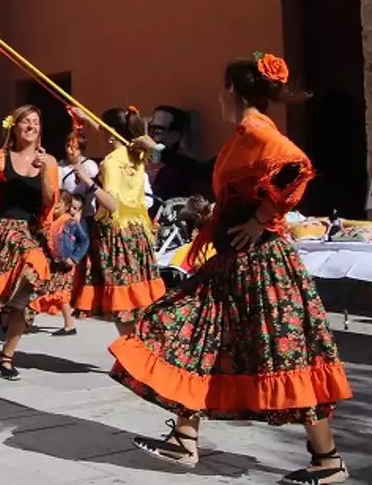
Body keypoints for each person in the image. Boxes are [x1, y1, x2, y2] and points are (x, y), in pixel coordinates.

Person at [110, 54, 352, 485]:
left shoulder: (257, 131)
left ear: (233, 91)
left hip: (261, 267)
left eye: (223, 87)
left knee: (286, 354)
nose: (220, 94)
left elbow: (297, 167)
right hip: (231, 266)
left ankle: (328, 458)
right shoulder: (244, 134)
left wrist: (261, 218)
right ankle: (185, 437)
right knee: (191, 334)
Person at [0, 105, 58, 380]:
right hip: (5, 231)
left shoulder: (48, 161)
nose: (31, 127)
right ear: (14, 127)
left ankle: (7, 356)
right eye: (26, 122)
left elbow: (50, 202)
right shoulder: (0, 158)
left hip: (32, 232)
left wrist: (43, 175)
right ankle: (2, 313)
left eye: (36, 122)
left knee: (29, 288)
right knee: (16, 279)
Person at [69, 107, 166, 335]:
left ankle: (129, 352)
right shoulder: (137, 155)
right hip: (139, 231)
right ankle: (134, 348)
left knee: (121, 301)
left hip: (116, 234)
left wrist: (87, 180)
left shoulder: (110, 163)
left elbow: (112, 204)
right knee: (136, 296)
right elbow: (113, 134)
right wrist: (88, 118)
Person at [40, 192, 90, 336]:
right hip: (53, 262)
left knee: (61, 294)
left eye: (59, 204)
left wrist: (75, 258)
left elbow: (84, 240)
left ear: (66, 206)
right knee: (50, 290)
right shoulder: (50, 221)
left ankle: (69, 325)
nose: (55, 206)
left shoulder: (69, 222)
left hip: (65, 263)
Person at [149, 105, 207, 201]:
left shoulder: (180, 168)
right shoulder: (147, 159)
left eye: (157, 130)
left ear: (174, 137)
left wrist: (155, 149)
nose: (151, 135)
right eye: (150, 129)